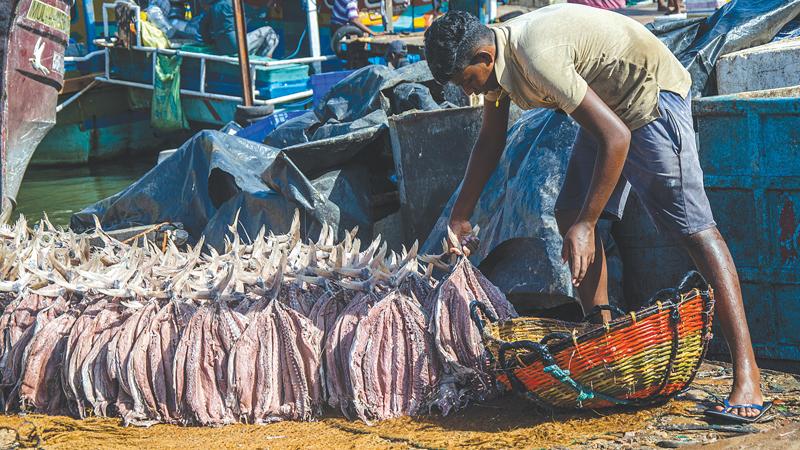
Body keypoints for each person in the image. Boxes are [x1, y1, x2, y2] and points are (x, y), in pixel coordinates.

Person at [424, 6, 769, 423]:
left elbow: (617, 136)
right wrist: (460, 216)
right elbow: (491, 139)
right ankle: (603, 338)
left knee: (694, 231)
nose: (468, 92)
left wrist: (588, 225)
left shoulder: (536, 56)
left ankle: (749, 376)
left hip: (649, 97)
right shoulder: (494, 64)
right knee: (568, 209)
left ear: (485, 58)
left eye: (466, 81)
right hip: (609, 105)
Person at [199, 0, 279, 57]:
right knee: (269, 31)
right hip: (237, 46)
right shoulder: (235, 3)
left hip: (221, 47)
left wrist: (209, 42)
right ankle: (265, 62)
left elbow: (203, 26)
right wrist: (267, 5)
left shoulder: (215, 6)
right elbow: (258, 15)